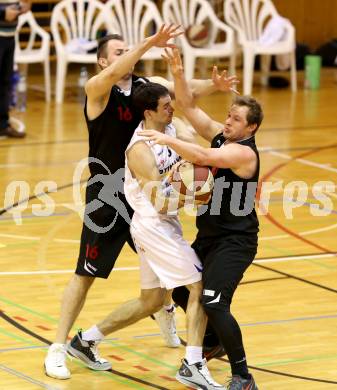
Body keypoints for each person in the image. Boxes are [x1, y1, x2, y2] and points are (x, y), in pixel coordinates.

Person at [44, 26, 226, 380]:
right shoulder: (97, 89)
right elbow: (114, 72)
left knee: (163, 274)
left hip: (142, 194)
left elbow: (182, 92)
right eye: (117, 51)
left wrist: (212, 86)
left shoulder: (148, 85)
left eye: (127, 50)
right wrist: (147, 43)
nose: (125, 55)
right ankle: (56, 347)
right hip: (108, 193)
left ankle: (162, 311)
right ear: (102, 60)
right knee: (86, 273)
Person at [139, 48, 263, 390]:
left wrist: (167, 138)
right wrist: (177, 73)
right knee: (179, 288)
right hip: (209, 236)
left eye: (236, 119)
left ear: (251, 127)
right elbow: (189, 107)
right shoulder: (224, 137)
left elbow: (205, 155)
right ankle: (211, 341)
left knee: (213, 301)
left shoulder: (243, 152)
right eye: (228, 115)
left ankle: (243, 375)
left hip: (235, 241)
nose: (227, 122)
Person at [0, 0, 30, 138]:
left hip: (9, 37)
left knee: (5, 83)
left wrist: (24, 6)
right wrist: (3, 13)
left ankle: (3, 125)